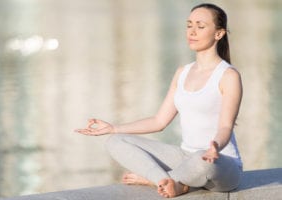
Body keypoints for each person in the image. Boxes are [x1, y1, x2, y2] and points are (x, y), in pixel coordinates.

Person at [75, 3, 243, 198]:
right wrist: (113, 128)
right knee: (116, 141)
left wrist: (215, 146)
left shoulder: (228, 75)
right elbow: (159, 121)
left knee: (201, 159)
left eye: (201, 26)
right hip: (185, 158)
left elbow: (225, 127)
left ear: (219, 33)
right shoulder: (183, 72)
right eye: (189, 25)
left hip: (220, 164)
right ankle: (168, 181)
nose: (192, 31)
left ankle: (160, 180)